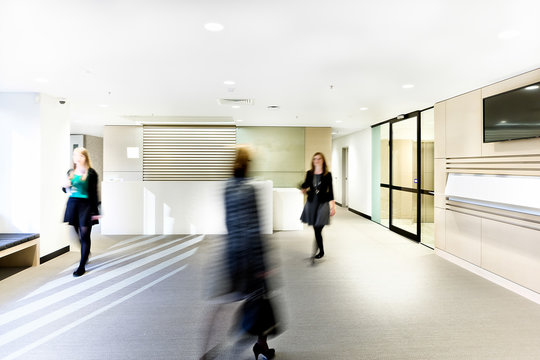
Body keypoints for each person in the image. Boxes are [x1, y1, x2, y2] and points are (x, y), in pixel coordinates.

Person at [215, 145, 277, 359]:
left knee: (251, 300)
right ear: (248, 164)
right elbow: (254, 228)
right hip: (251, 256)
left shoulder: (227, 187)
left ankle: (262, 345)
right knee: (259, 301)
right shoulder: (249, 189)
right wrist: (263, 265)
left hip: (233, 254)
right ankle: (249, 340)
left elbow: (229, 223)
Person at [62, 147, 100, 277]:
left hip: (86, 206)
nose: (76, 157)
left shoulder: (91, 173)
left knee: (85, 235)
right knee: (75, 233)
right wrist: (64, 186)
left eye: (79, 155)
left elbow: (94, 193)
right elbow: (66, 189)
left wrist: (96, 210)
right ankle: (86, 252)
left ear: (84, 157)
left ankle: (82, 265)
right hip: (73, 204)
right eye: (74, 155)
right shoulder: (71, 172)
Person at [300, 152, 336, 259]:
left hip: (323, 203)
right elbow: (305, 185)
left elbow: (331, 192)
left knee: (318, 227)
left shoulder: (327, 174)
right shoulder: (309, 173)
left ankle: (319, 249)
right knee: (316, 228)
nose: (317, 160)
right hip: (312, 203)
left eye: (319, 159)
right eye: (315, 159)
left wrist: (333, 206)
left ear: (323, 160)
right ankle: (321, 250)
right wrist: (303, 188)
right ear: (313, 161)